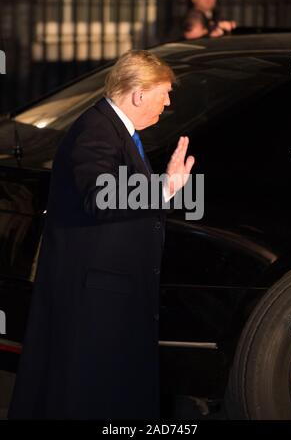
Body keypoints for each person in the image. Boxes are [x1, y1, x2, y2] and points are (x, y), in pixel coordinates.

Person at [8, 50, 195, 419]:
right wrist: (163, 189)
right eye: (164, 92)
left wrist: (168, 190)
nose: (169, 101)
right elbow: (100, 196)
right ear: (138, 93)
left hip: (108, 292)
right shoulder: (96, 132)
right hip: (97, 299)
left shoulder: (114, 130)